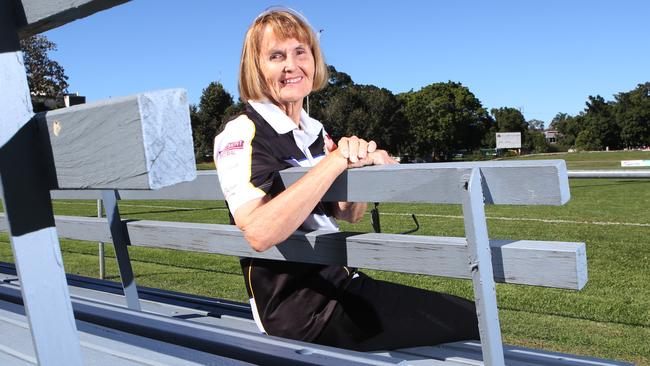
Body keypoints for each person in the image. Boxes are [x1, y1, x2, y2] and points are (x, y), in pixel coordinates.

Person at [214, 7, 479, 351]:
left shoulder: (311, 130)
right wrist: (335, 161)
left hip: (342, 286)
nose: (291, 65)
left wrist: (357, 163)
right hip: (303, 313)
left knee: (468, 316)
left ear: (314, 59)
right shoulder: (243, 131)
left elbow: (347, 212)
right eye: (276, 55)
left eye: (300, 52)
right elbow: (259, 232)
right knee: (474, 318)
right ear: (256, 67)